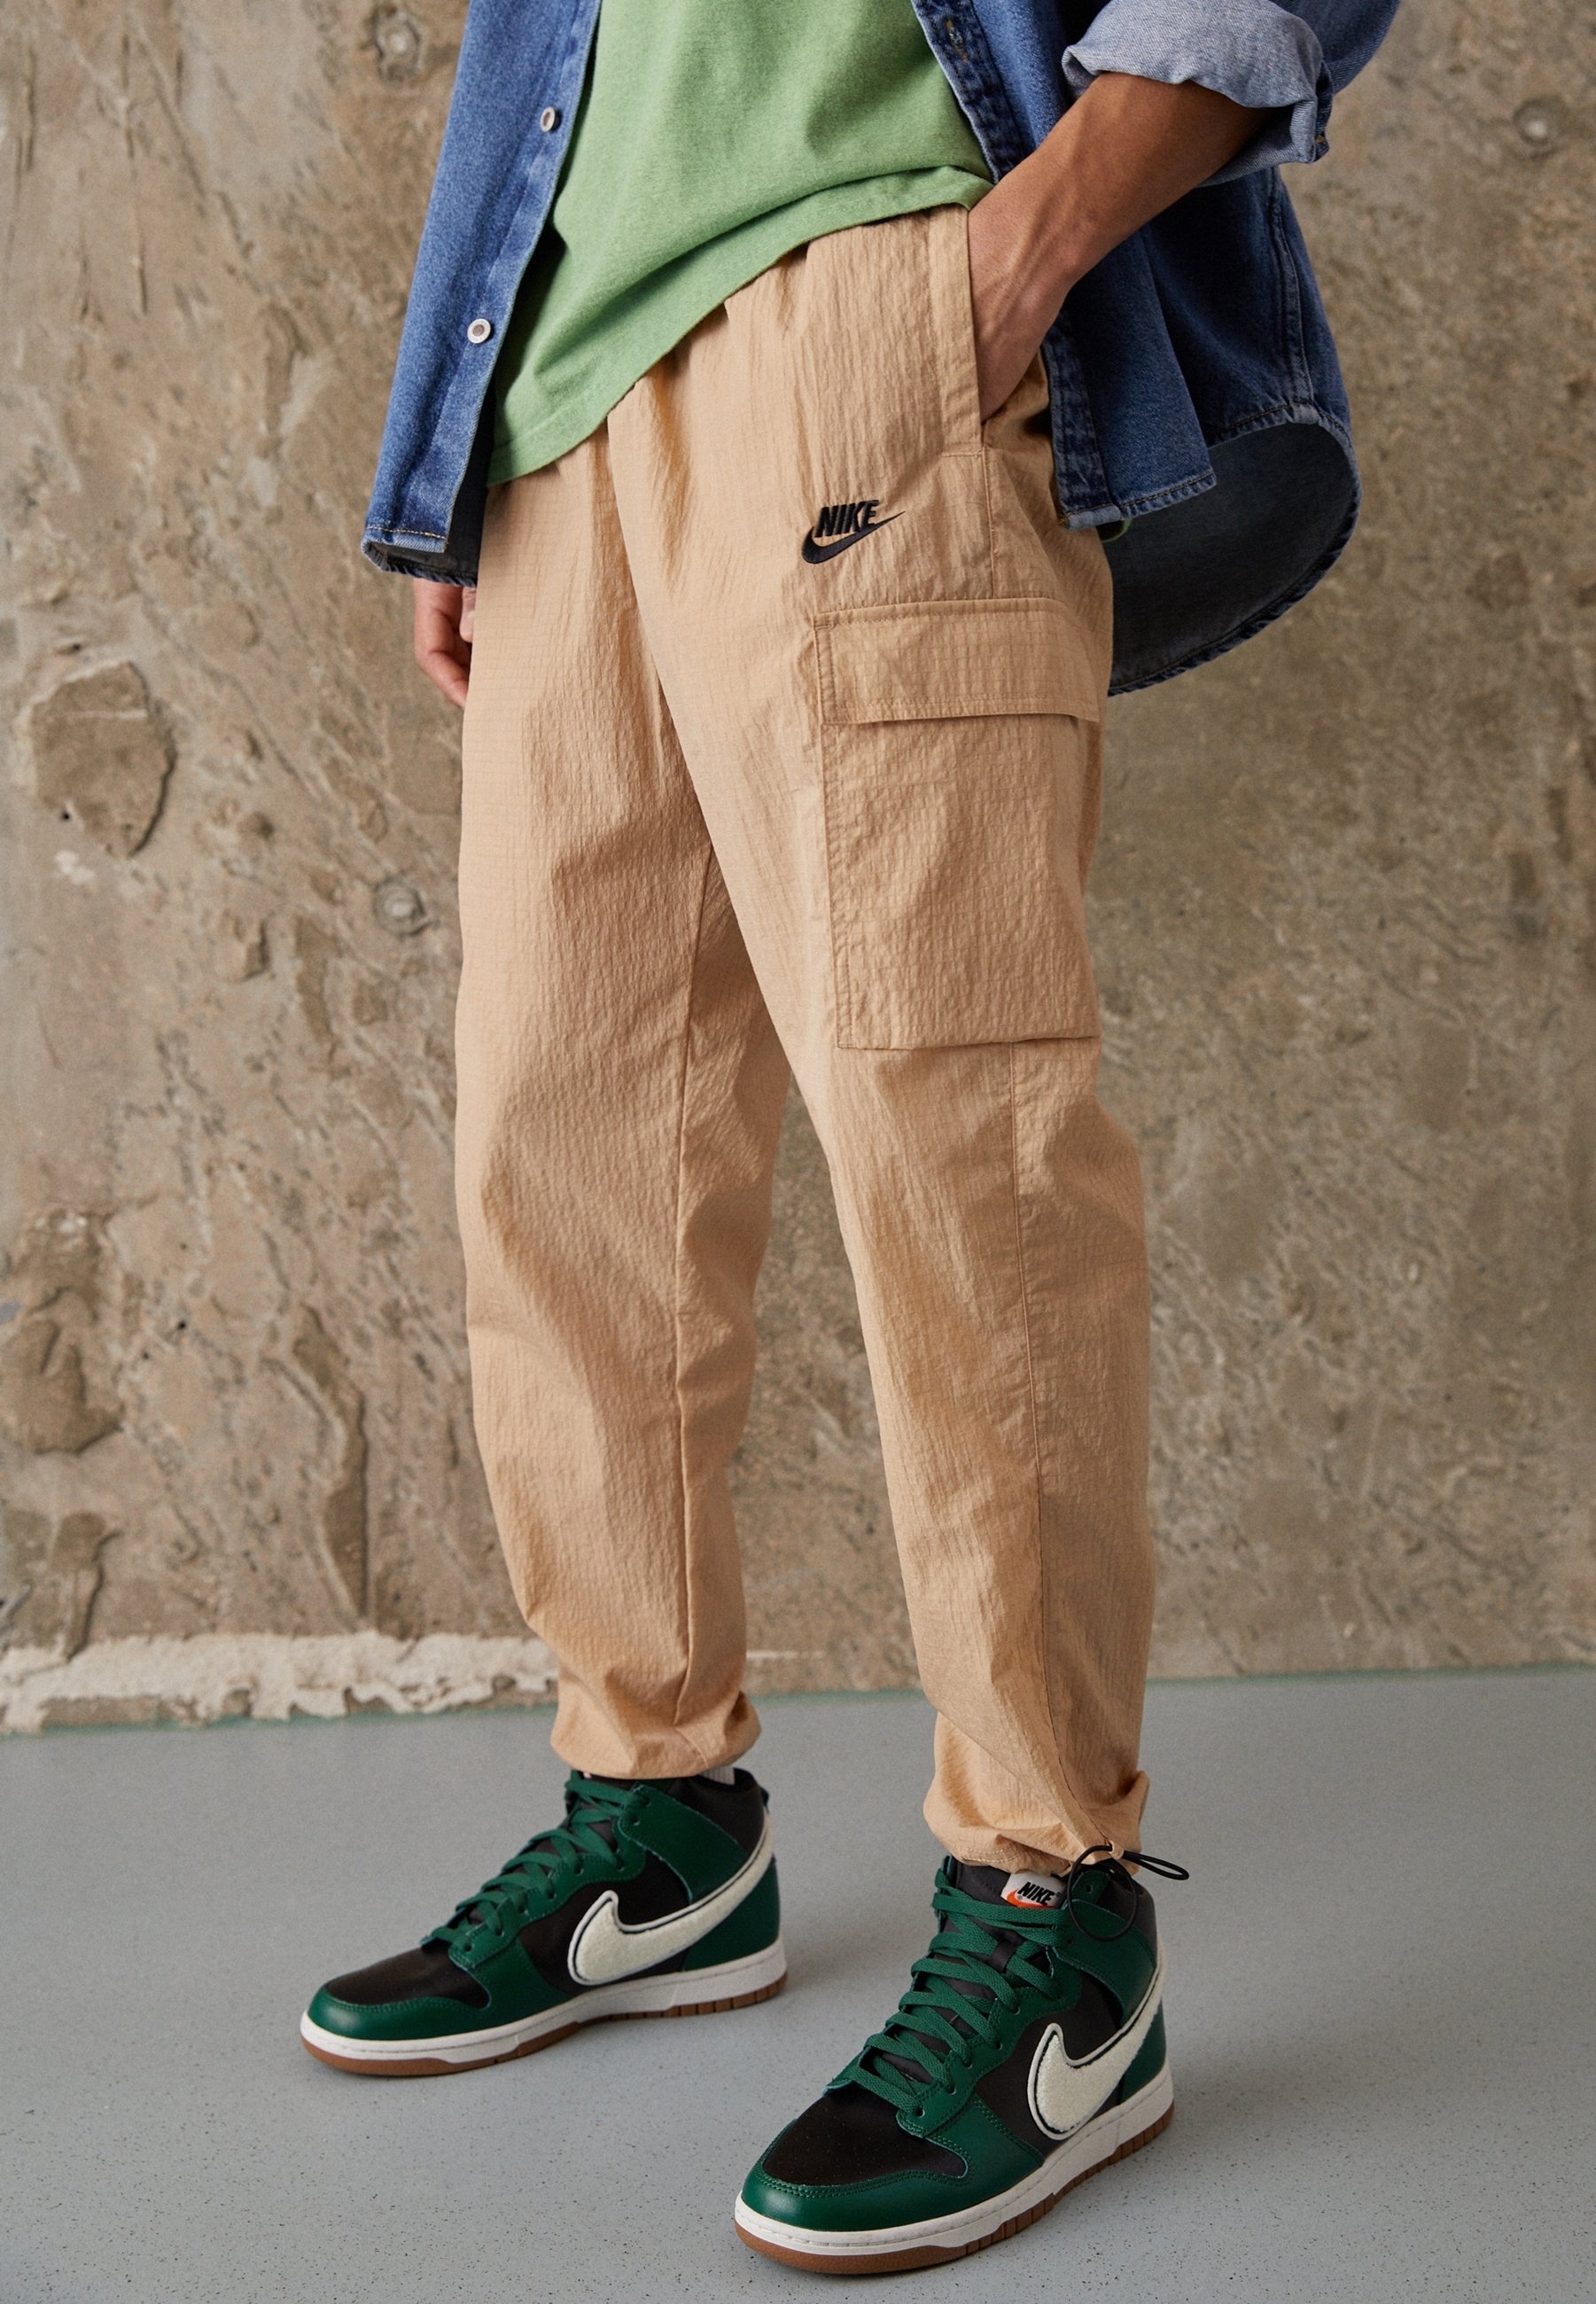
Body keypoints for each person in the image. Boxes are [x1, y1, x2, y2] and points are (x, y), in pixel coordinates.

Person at [300, 0, 1398, 2271]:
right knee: (561, 1154)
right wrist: (460, 436)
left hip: (871, 308)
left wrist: (1027, 245)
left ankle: (1053, 1911)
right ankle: (655, 1817)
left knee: (953, 1133)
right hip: (564, 398)